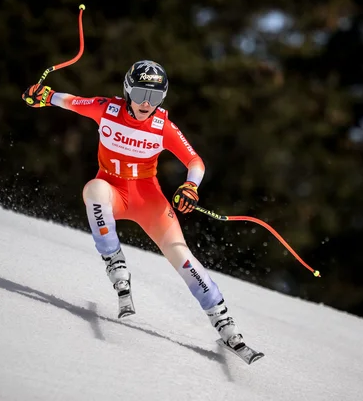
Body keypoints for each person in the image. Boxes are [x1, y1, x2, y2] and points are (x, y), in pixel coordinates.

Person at [21, 60, 249, 350]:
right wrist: (45, 96)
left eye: (154, 97)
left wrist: (191, 186)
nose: (146, 103)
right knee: (94, 190)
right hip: (113, 194)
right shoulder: (107, 109)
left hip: (149, 203)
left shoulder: (162, 126)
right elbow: (72, 102)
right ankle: (115, 264)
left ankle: (224, 323)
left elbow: (195, 161)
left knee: (183, 258)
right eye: (141, 93)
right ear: (128, 90)